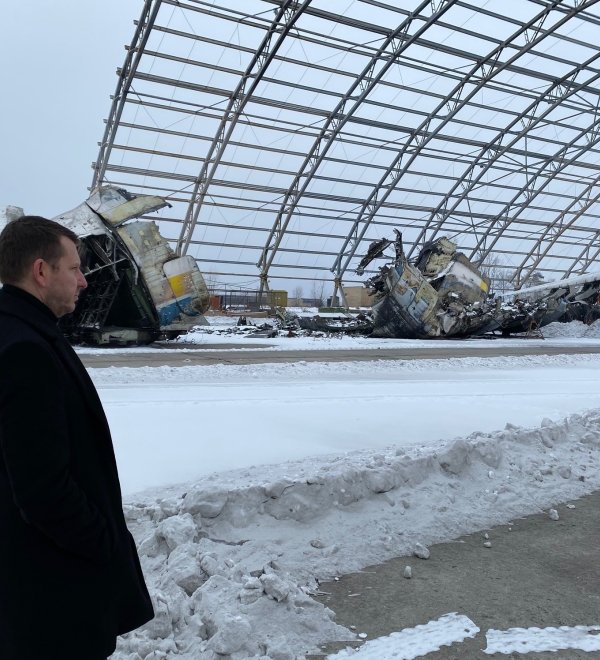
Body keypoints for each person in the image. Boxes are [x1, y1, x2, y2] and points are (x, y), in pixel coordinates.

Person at [0, 216, 154, 660]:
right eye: (75, 269)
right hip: (50, 589)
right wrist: (103, 545)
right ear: (41, 271)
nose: (85, 282)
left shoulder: (18, 332)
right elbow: (43, 489)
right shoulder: (25, 350)